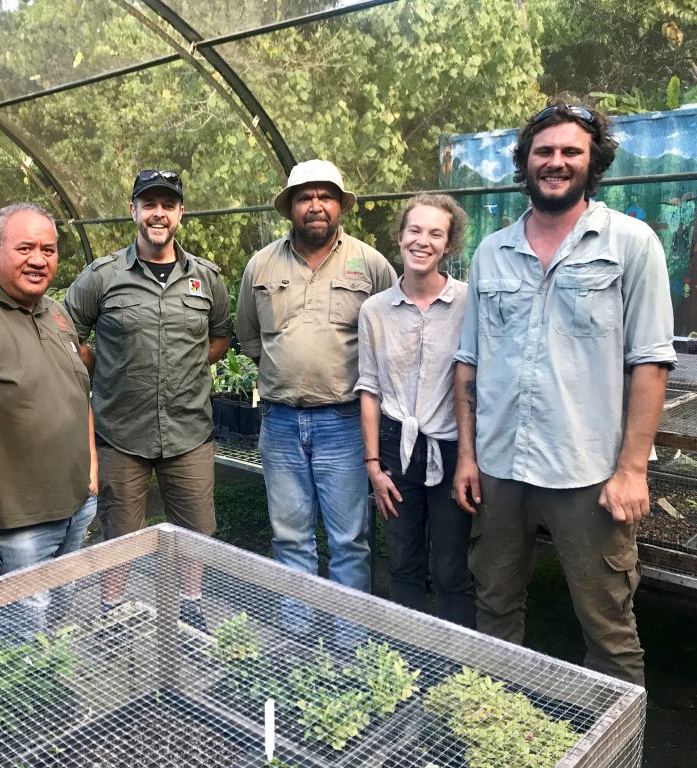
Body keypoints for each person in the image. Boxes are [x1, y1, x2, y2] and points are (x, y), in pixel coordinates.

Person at [453, 100, 675, 686]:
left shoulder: (631, 243)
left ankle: (618, 748)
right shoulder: (491, 251)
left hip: (590, 474)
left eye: (570, 151)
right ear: (524, 162)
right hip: (501, 468)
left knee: (607, 626)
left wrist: (632, 471)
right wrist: (469, 457)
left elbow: (650, 362)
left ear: (591, 161)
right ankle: (493, 730)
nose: (555, 162)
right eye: (543, 151)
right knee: (494, 608)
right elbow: (469, 363)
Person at [64, 169, 231, 630]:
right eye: (149, 204)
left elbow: (219, 338)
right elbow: (67, 331)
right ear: (134, 210)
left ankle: (191, 603)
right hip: (121, 430)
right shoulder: (102, 277)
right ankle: (112, 610)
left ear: (180, 213)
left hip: (189, 429)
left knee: (195, 528)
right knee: (120, 529)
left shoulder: (206, 279)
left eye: (167, 204)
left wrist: (185, 367)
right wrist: (103, 366)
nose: (158, 213)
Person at [236, 159, 396, 632]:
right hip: (280, 422)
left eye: (325, 196)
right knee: (289, 536)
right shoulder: (261, 265)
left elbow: (391, 330)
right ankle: (297, 640)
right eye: (305, 197)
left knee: (350, 539)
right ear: (291, 207)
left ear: (339, 205)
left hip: (345, 423)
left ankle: (350, 647)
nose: (315, 206)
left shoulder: (370, 264)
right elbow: (249, 336)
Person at [0, 203, 96, 633]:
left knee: (58, 616)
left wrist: (91, 464)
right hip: (17, 520)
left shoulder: (55, 312)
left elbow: (78, 390)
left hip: (75, 503)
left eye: (48, 250)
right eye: (25, 247)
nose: (38, 260)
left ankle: (51, 690)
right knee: (23, 630)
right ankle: (30, 701)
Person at [356, 194, 475, 628]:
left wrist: (470, 456)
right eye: (415, 230)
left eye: (435, 233)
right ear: (400, 236)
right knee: (403, 562)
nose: (422, 241)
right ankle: (406, 664)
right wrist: (374, 464)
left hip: (451, 446)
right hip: (394, 446)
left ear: (449, 245)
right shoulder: (375, 310)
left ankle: (456, 669)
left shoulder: (467, 302)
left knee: (451, 568)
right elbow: (369, 389)